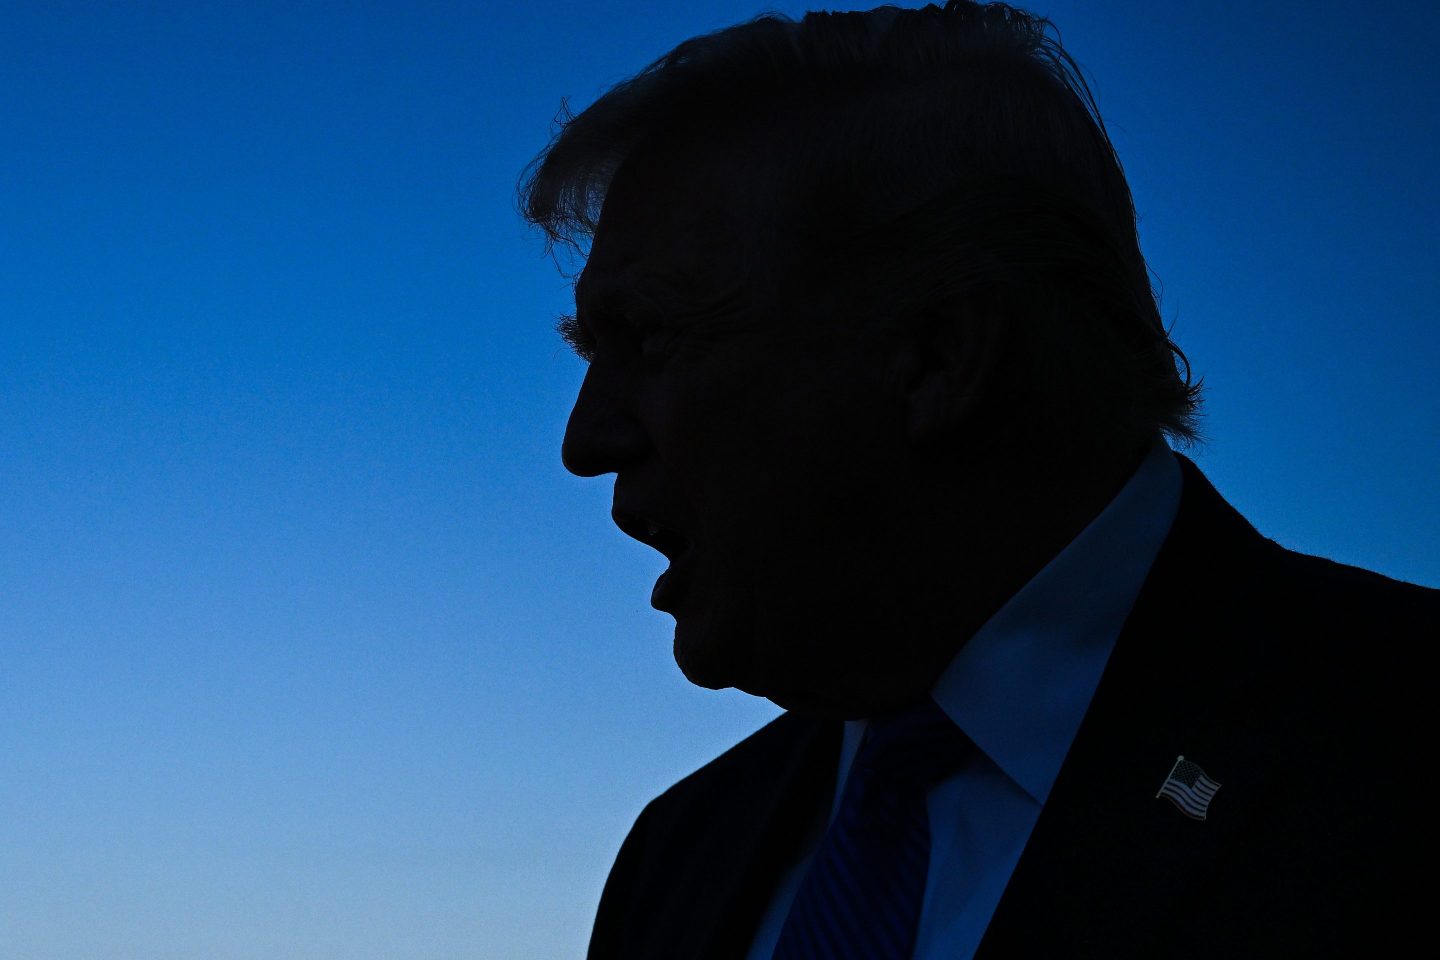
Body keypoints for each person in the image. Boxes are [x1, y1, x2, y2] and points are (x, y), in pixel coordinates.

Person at [515, 2, 1437, 957]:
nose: (585, 441)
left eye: (648, 339)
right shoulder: (681, 859)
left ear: (937, 356)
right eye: (592, 352)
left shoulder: (1399, 748)